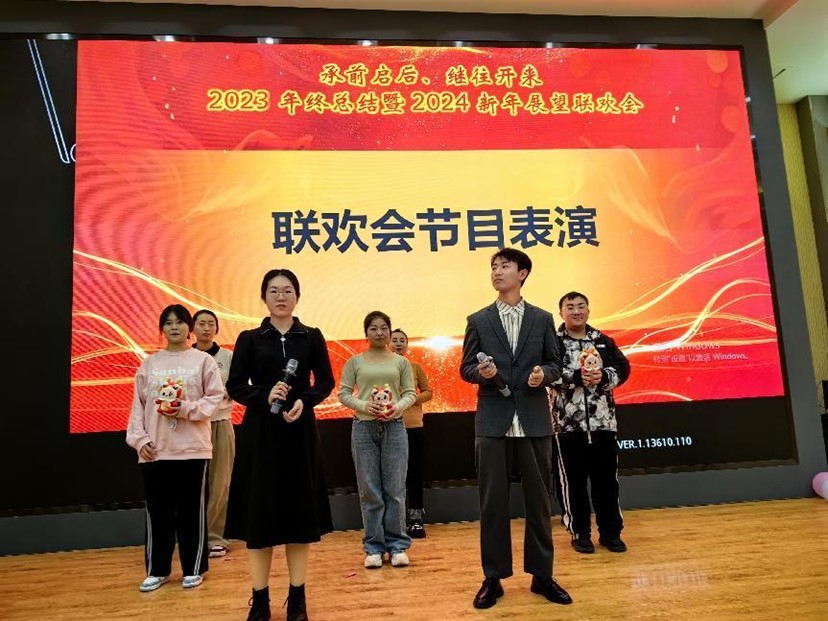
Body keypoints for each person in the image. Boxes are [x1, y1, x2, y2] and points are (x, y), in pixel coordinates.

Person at [459, 247, 572, 609]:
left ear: (522, 274)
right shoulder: (478, 319)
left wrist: (543, 375)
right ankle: (493, 578)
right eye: (493, 267)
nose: (496, 271)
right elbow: (466, 368)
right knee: (492, 503)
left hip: (533, 420)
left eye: (504, 266)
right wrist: (483, 373)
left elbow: (556, 363)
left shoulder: (541, 319)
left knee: (539, 503)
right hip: (493, 421)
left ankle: (542, 575)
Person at [225, 269, 335, 621]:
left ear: (297, 296)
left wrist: (305, 400)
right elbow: (235, 385)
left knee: (299, 519)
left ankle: (297, 599)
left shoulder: (311, 336)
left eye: (287, 290)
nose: (281, 297)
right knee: (260, 519)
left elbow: (325, 382)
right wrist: (264, 395)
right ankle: (260, 600)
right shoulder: (249, 338)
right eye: (273, 291)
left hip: (299, 433)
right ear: (264, 297)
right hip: (260, 435)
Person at [126, 304, 224, 592]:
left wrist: (184, 408)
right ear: (162, 329)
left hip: (193, 449)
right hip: (156, 450)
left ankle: (194, 568)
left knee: (191, 513)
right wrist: (140, 440)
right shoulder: (149, 364)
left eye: (180, 322)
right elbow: (137, 407)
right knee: (158, 514)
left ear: (189, 328)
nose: (174, 327)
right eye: (168, 323)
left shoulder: (203, 361)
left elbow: (214, 400)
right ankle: (158, 570)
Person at [551, 291, 631, 554]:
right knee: (573, 484)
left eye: (581, 306)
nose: (576, 311)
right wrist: (575, 377)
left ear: (588, 310)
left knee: (607, 483)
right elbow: (547, 373)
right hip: (567, 427)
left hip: (603, 424)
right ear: (561, 312)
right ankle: (580, 534)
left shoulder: (603, 341)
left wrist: (604, 377)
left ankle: (610, 534)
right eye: (570, 307)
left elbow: (623, 369)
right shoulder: (552, 342)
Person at [339, 311, 417, 569]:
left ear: (390, 332)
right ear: (366, 333)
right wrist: (364, 405)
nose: (380, 332)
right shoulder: (354, 362)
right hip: (364, 428)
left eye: (384, 328)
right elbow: (344, 394)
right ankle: (373, 547)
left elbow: (410, 393)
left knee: (395, 490)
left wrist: (397, 407)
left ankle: (397, 547)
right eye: (373, 328)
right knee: (369, 490)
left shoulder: (401, 362)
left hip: (395, 427)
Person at [192, 309, 236, 559]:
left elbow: (238, 387)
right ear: (192, 329)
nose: (206, 328)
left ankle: (214, 537)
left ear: (217, 329)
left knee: (221, 483)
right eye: (201, 323)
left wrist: (215, 394)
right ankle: (192, 535)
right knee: (192, 484)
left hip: (220, 422)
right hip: (192, 426)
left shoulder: (228, 357)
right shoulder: (186, 357)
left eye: (211, 324)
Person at [390, 329, 434, 538]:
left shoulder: (415, 367)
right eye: (395, 340)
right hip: (389, 426)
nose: (398, 343)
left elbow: (428, 392)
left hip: (413, 426)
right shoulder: (379, 368)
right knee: (391, 475)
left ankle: (416, 518)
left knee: (414, 473)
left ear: (407, 345)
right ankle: (393, 520)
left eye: (402, 340)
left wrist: (413, 399)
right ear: (388, 343)